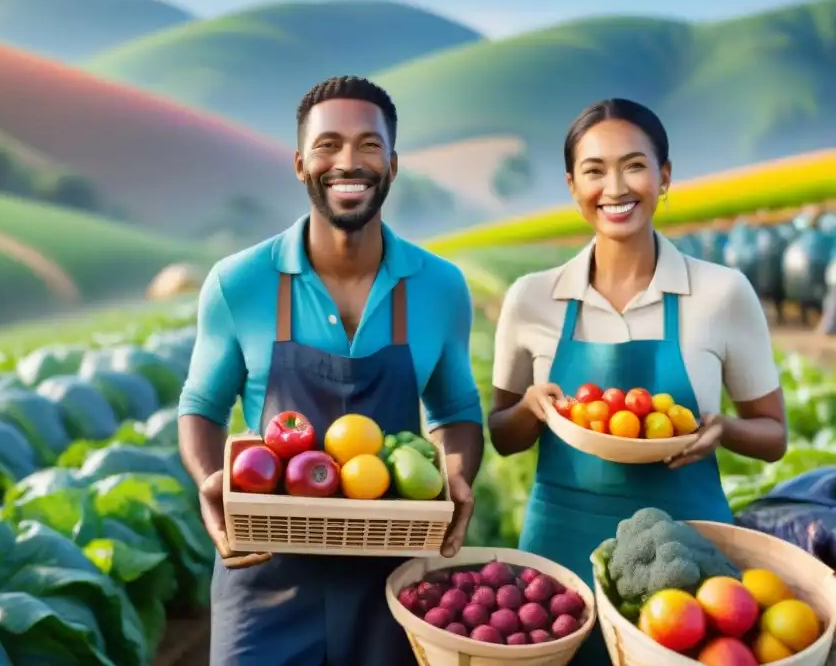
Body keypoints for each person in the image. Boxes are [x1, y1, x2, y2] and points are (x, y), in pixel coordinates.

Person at [178, 75, 485, 666]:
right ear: (299, 163)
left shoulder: (440, 286)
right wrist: (208, 480)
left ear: (393, 165)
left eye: (369, 146)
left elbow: (457, 413)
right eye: (328, 145)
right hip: (264, 574)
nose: (349, 162)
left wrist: (456, 474)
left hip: (395, 579)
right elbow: (201, 405)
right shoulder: (238, 283)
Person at [488, 98, 788, 664]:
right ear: (573, 186)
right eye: (594, 170)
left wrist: (722, 428)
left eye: (634, 165)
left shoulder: (722, 293)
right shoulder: (532, 297)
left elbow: (774, 436)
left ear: (664, 176)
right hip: (559, 548)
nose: (614, 187)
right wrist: (531, 406)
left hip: (686, 553)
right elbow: (504, 435)